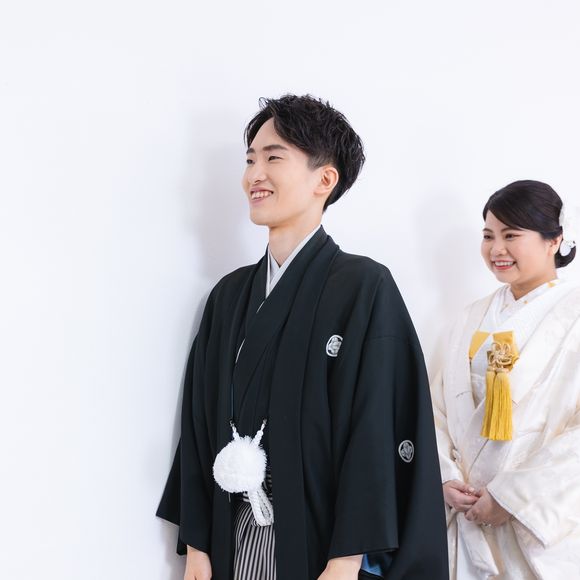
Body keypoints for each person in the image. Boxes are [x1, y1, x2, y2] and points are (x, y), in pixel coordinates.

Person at [157, 94, 448, 580]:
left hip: (321, 545)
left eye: (274, 158)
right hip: (232, 538)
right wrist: (198, 547)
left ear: (324, 179)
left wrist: (346, 560)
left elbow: (375, 428)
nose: (254, 175)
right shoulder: (229, 295)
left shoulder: (364, 286)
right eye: (250, 160)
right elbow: (200, 421)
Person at [432, 180, 580, 578]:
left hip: (535, 528)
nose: (496, 249)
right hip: (464, 518)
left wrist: (511, 497)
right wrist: (444, 477)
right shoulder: (469, 317)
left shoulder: (575, 315)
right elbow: (436, 409)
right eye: (488, 236)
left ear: (554, 241)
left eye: (511, 235)